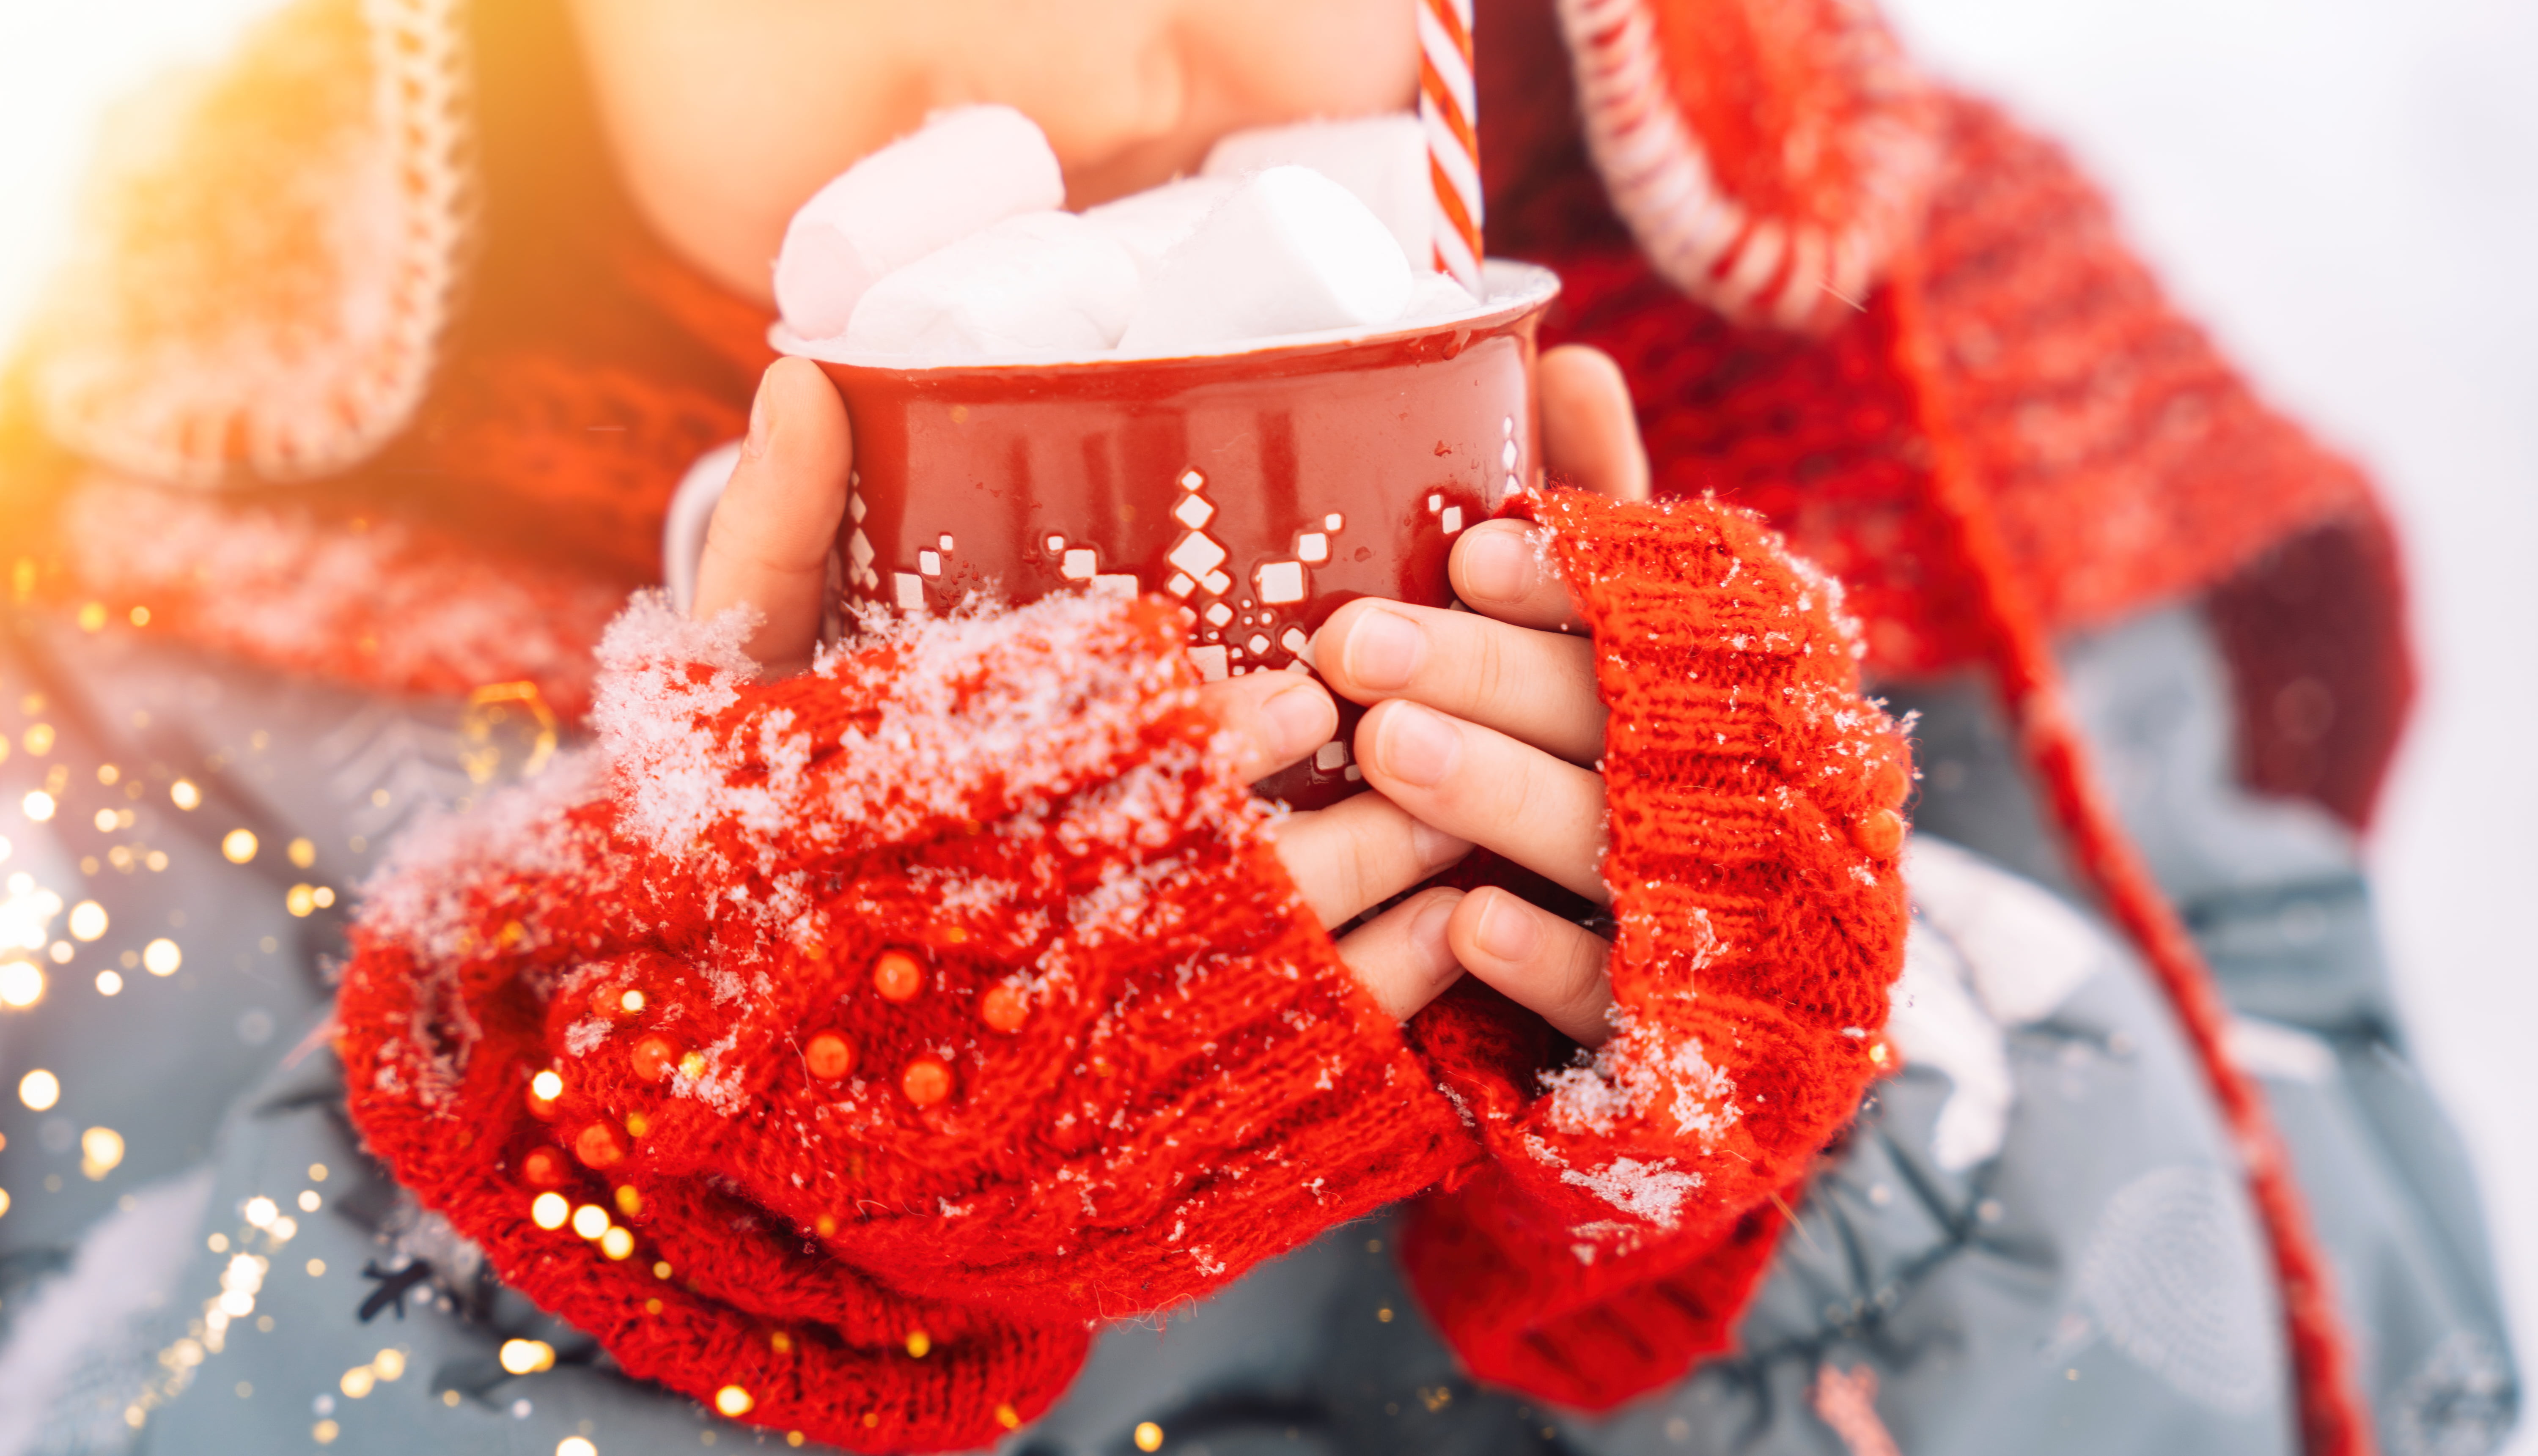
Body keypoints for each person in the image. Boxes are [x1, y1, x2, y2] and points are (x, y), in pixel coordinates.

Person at [0, 0, 2516, 1453]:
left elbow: (2382, 1351)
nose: (1089, 60)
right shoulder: (155, 617)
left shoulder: (1938, 411)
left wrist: (1832, 1099)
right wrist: (654, 1216)